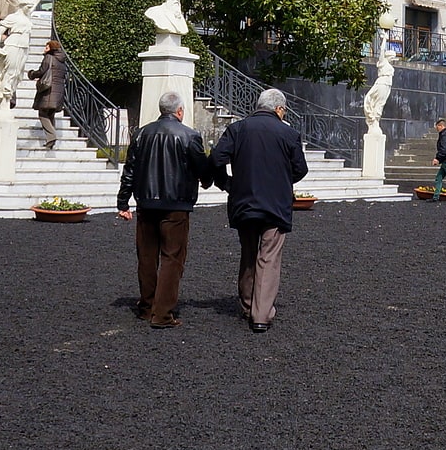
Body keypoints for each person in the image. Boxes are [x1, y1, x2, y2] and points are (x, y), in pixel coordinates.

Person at [210, 87, 309, 333]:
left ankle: (247, 304)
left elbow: (215, 159)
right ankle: (261, 314)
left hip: (243, 201)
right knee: (269, 257)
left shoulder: (237, 129)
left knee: (248, 253)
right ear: (278, 109)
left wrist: (227, 183)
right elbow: (300, 169)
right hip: (275, 203)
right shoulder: (288, 133)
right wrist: (281, 180)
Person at [116, 91, 211, 329]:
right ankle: (163, 313)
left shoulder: (141, 134)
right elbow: (202, 167)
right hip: (176, 204)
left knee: (147, 257)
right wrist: (209, 179)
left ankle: (147, 307)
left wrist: (123, 201)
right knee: (172, 258)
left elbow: (130, 170)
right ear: (179, 111)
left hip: (146, 202)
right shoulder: (190, 136)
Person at [29, 37, 67, 130]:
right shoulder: (61, 61)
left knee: (42, 114)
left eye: (46, 48)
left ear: (51, 48)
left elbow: (42, 71)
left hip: (48, 90)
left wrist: (32, 74)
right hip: (58, 91)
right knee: (50, 114)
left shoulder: (49, 57)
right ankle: (51, 140)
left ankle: (52, 136)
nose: (44, 49)